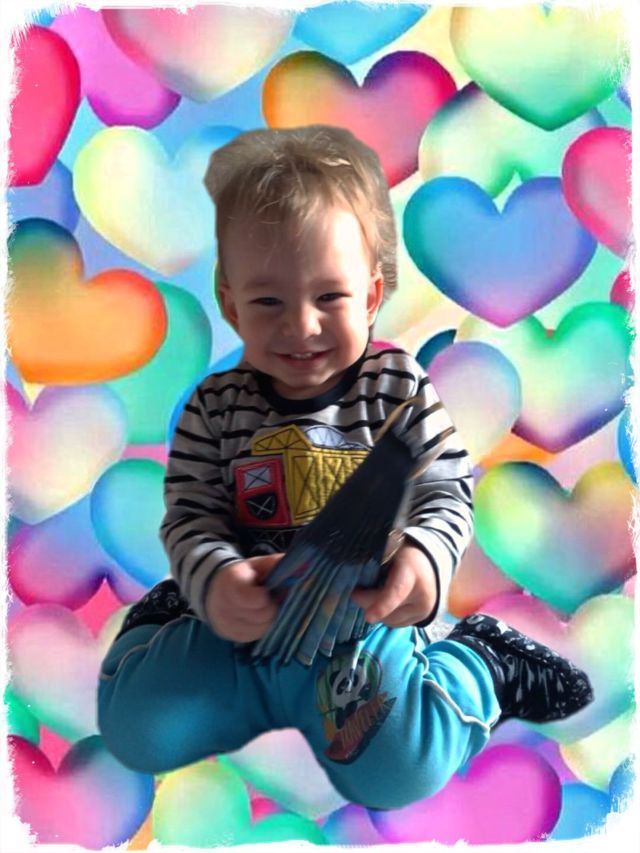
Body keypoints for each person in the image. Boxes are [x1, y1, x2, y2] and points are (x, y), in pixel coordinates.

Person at [97, 125, 593, 810]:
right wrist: (215, 579)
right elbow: (192, 517)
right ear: (231, 302)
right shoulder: (215, 406)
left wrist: (420, 566)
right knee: (137, 730)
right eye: (268, 301)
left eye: (329, 297)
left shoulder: (396, 388)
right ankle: (165, 624)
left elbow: (446, 492)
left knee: (401, 771)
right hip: (238, 626)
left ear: (370, 295)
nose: (301, 326)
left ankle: (483, 662)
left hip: (358, 632)